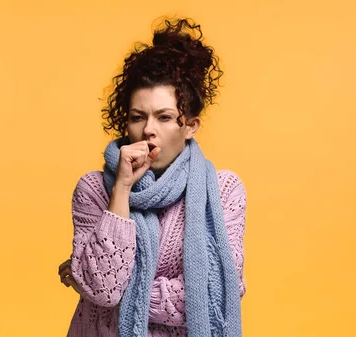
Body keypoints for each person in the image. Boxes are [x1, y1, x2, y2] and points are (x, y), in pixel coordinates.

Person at [58, 18, 247, 337]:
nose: (148, 129)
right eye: (137, 117)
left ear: (190, 126)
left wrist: (87, 275)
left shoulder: (223, 190)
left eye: (164, 117)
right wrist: (120, 189)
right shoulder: (93, 189)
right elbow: (103, 289)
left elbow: (216, 294)